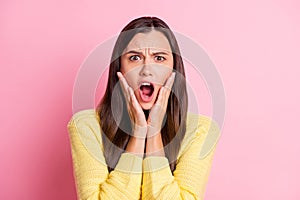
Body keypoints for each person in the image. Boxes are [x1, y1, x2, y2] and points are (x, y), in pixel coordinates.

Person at [67, 16, 220, 200]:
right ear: (120, 68)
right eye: (135, 57)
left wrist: (153, 133)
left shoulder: (200, 131)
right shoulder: (86, 126)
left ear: (174, 70)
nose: (146, 69)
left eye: (159, 58)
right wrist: (139, 133)